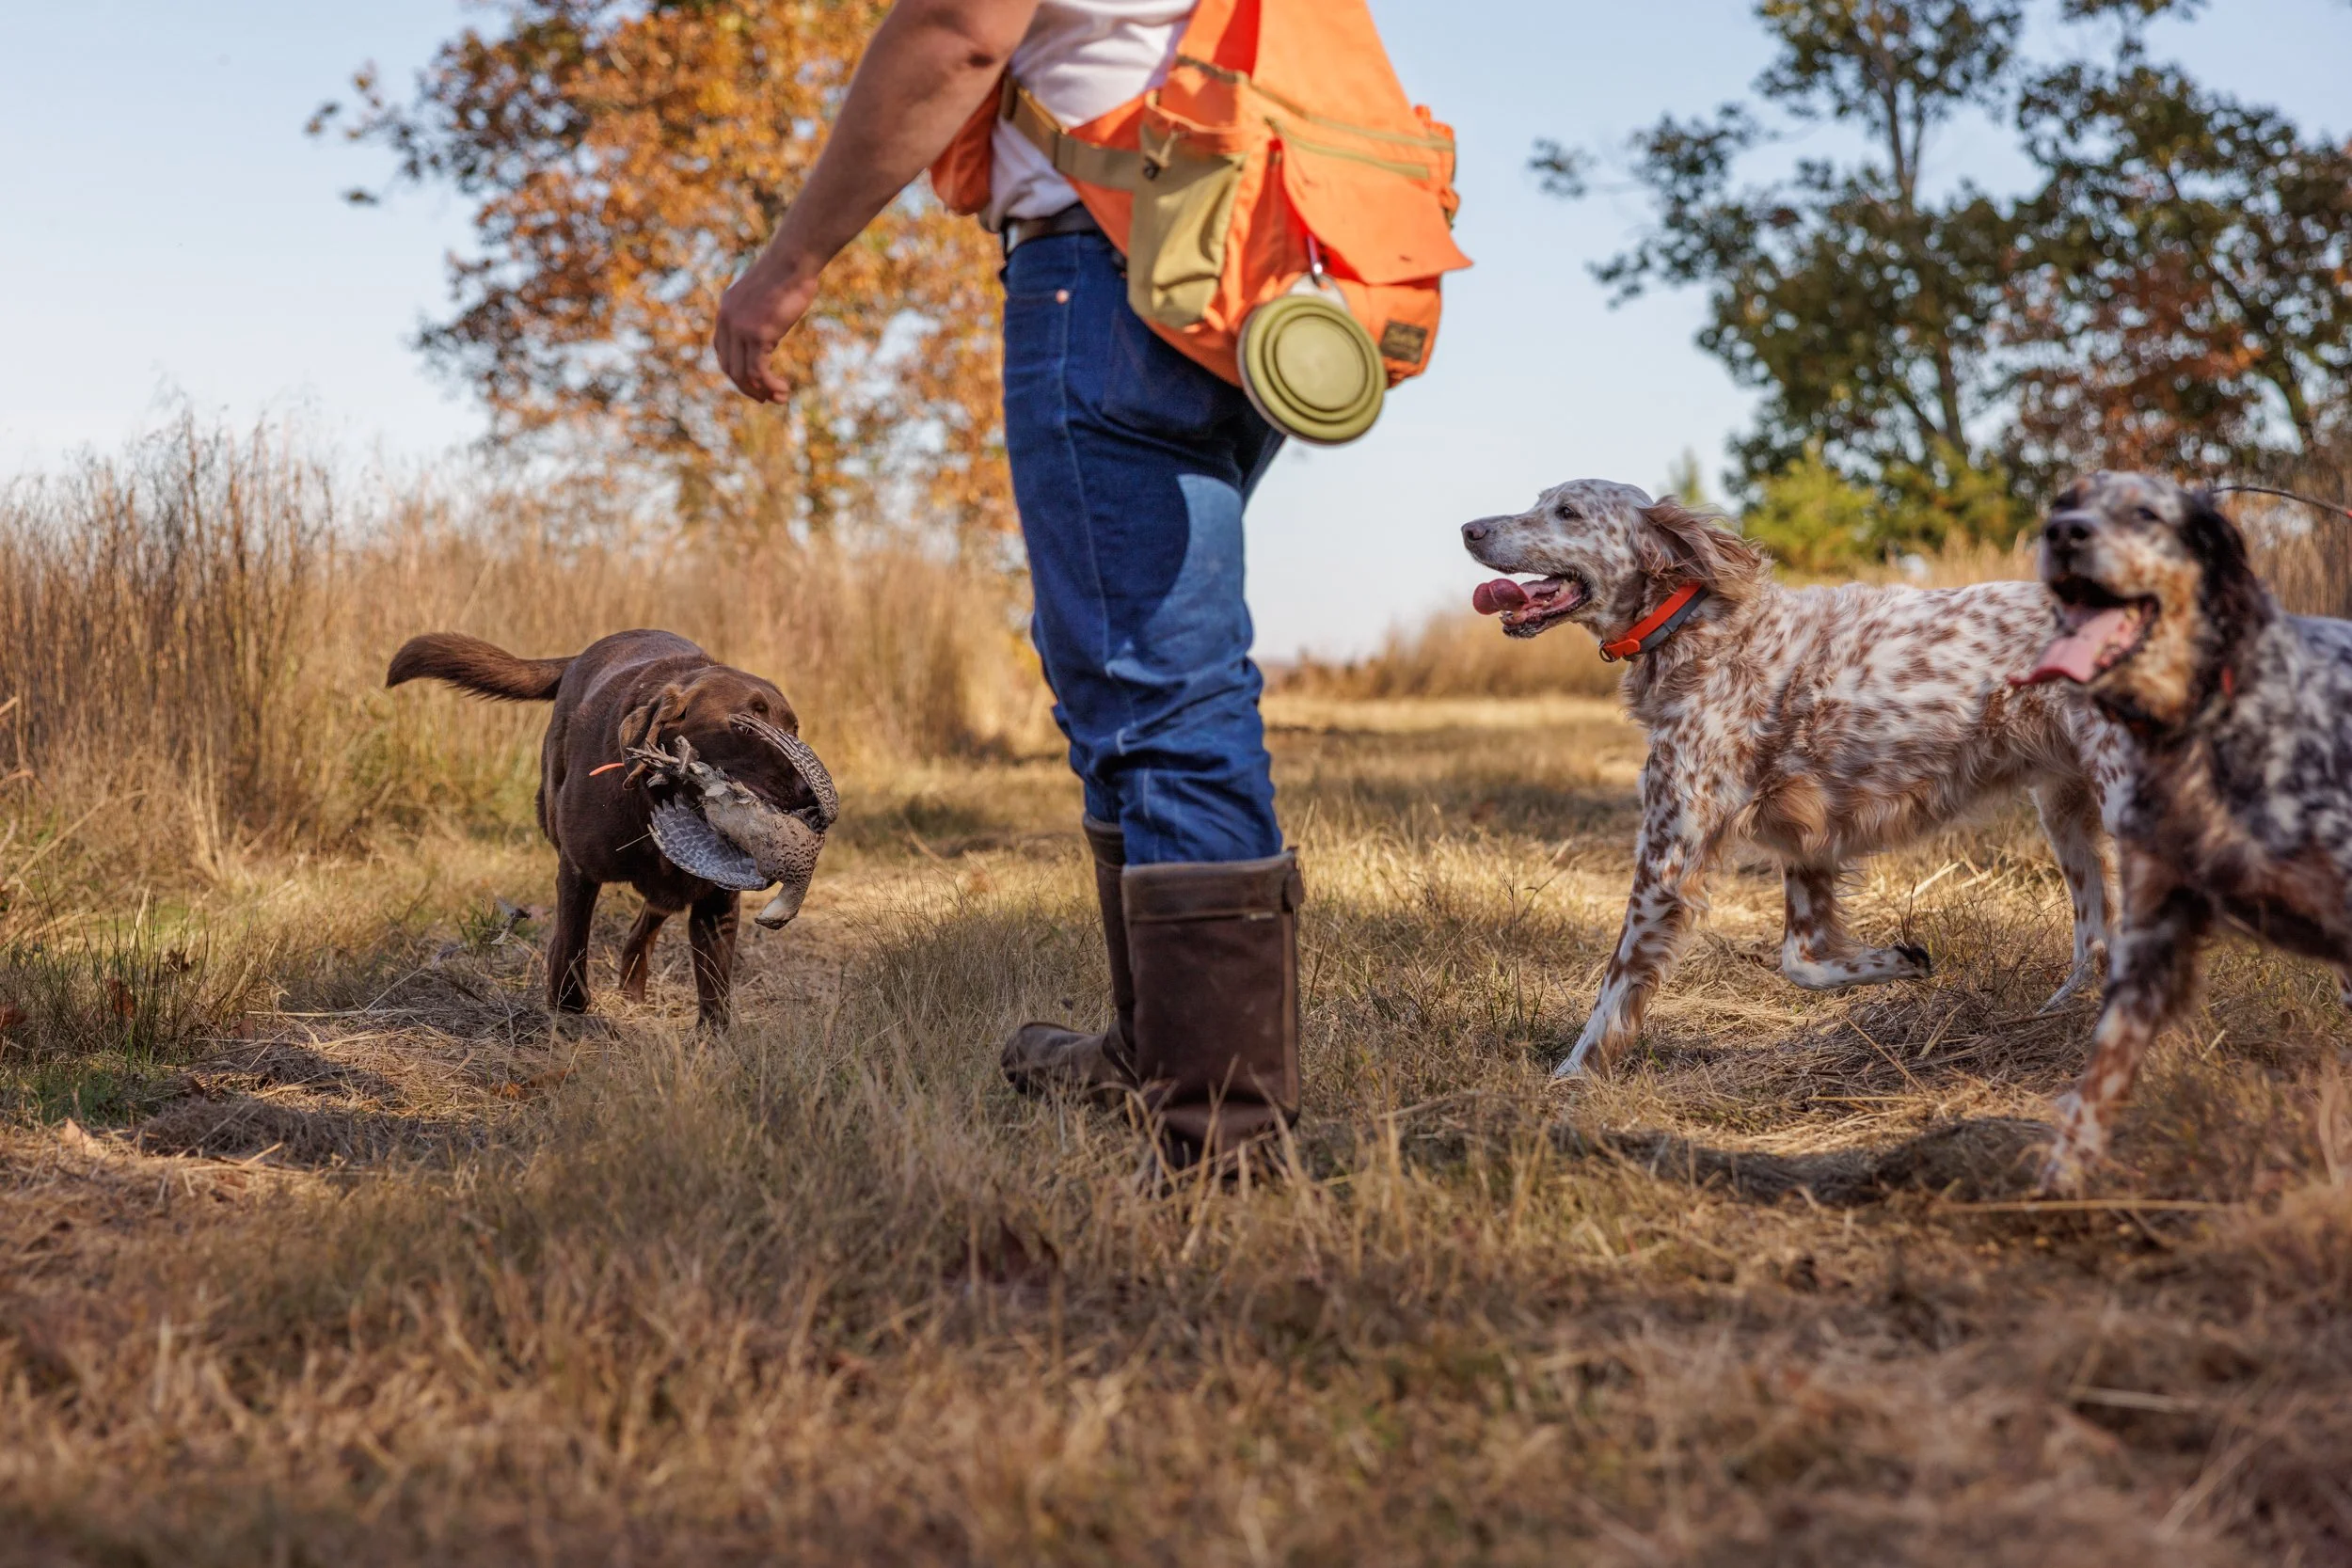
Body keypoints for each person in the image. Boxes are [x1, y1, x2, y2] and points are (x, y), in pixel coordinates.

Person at [713, 0, 1301, 1163]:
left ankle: (1221, 1140)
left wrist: (788, 263)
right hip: (1255, 261)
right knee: (1113, 679)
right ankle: (1156, 1051)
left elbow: (957, 32)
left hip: (1117, 261)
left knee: (1161, 692)